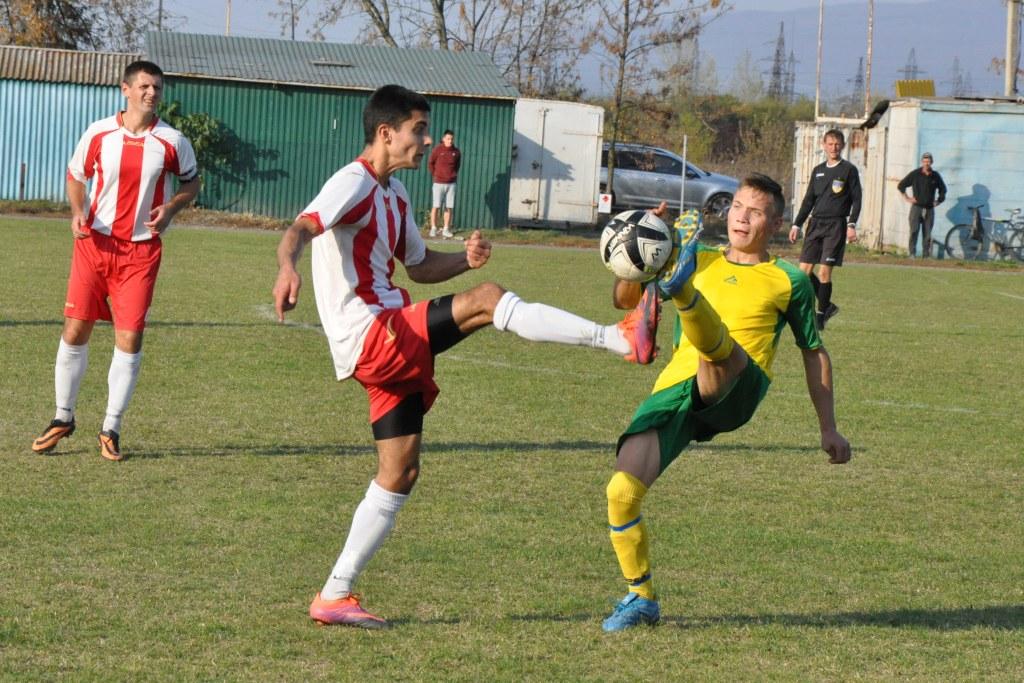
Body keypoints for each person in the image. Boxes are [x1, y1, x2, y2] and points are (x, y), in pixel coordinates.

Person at [272, 84, 659, 630]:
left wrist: (465, 260)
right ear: (387, 134)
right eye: (418, 131)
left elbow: (420, 265)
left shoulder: (396, 194)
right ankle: (620, 339)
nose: (426, 142)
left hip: (389, 335)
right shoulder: (353, 181)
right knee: (489, 302)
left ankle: (334, 593)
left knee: (399, 472)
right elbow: (301, 229)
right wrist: (287, 267)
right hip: (372, 333)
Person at [601, 174, 852, 633]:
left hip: (740, 384)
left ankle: (684, 298)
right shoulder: (698, 258)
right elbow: (625, 296)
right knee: (621, 492)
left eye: (755, 211)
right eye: (737, 206)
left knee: (723, 353)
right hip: (677, 388)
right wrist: (644, 245)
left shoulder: (790, 280)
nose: (741, 216)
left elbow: (814, 351)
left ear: (775, 223)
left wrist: (828, 428)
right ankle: (641, 598)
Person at [30, 60, 200, 462]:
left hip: (140, 251)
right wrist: (76, 209)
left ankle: (111, 428)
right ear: (125, 89)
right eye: (144, 86)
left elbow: (192, 181)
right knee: (75, 329)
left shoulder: (172, 140)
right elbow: (76, 176)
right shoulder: (99, 132)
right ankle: (62, 417)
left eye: (157, 87)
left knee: (130, 338)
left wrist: (172, 208)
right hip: (94, 243)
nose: (151, 93)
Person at [788, 129, 862, 331]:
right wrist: (796, 224)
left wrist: (852, 224)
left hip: (835, 225)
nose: (833, 148)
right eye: (830, 144)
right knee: (803, 273)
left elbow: (857, 199)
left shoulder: (849, 170)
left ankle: (820, 314)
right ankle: (827, 305)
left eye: (837, 144)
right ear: (824, 145)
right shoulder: (818, 170)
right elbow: (808, 200)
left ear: (843, 146)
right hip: (815, 224)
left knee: (823, 272)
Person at [897, 152, 946, 258]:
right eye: (924, 161)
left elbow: (943, 189)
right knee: (914, 231)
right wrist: (907, 198)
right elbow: (901, 185)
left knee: (927, 233)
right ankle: (912, 253)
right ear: (922, 162)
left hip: (929, 208)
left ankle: (925, 255)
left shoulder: (935, 176)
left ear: (931, 162)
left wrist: (938, 201)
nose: (926, 164)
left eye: (928, 161)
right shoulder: (915, 174)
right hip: (916, 207)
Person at [427, 128, 460, 238]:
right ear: (443, 139)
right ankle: (433, 228)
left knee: (449, 207)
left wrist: (452, 176)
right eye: (448, 138)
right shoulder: (437, 150)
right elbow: (431, 163)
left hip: (451, 184)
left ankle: (446, 229)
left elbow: (457, 166)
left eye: (451, 139)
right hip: (438, 183)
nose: (450, 141)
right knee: (436, 206)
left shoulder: (456, 152)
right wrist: (436, 175)